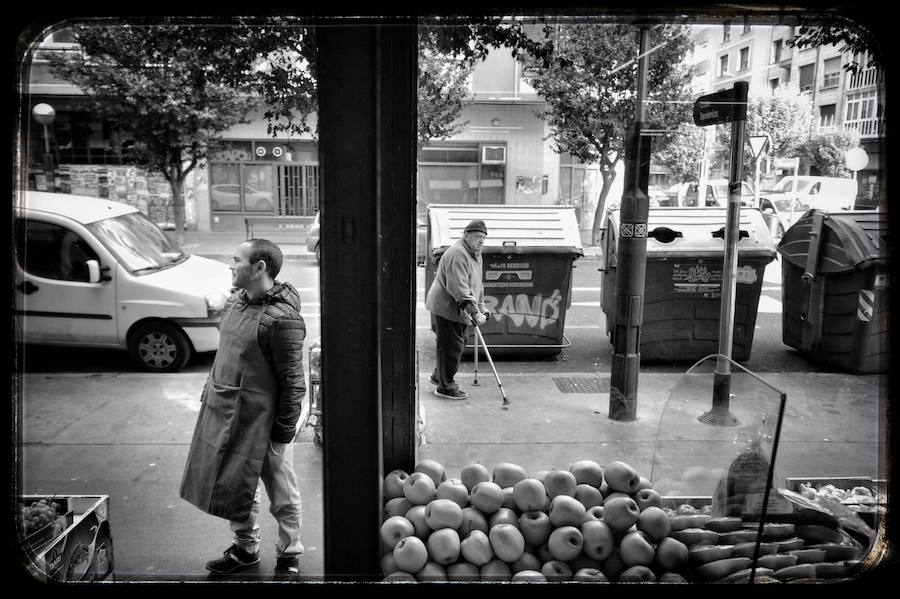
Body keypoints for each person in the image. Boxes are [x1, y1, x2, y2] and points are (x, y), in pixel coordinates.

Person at [180, 238, 306, 580]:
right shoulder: (236, 302)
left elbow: (294, 383)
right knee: (237, 486)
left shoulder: (283, 321)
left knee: (281, 490)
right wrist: (210, 395)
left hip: (263, 422)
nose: (231, 266)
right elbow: (225, 356)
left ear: (259, 267)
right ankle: (245, 548)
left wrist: (282, 432)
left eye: (237, 260)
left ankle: (289, 552)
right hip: (226, 413)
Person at [425, 219, 489, 400]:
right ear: (466, 236)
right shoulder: (458, 254)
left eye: (484, 238)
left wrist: (481, 308)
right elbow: (459, 288)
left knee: (457, 343)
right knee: (452, 346)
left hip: (458, 308)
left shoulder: (476, 254)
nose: (481, 241)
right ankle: (445, 387)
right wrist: (474, 311)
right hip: (446, 306)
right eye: (477, 237)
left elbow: (477, 285)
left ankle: (440, 376)